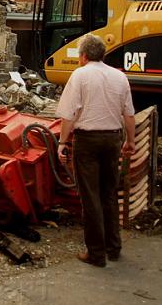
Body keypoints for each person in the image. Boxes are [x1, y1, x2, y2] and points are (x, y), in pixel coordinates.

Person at [56, 33, 135, 267]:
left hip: (88, 141)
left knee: (90, 197)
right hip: (113, 139)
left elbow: (69, 115)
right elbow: (128, 114)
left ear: (83, 56)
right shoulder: (120, 77)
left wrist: (62, 142)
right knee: (109, 194)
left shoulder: (80, 75)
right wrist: (130, 141)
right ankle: (114, 247)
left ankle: (96, 253)